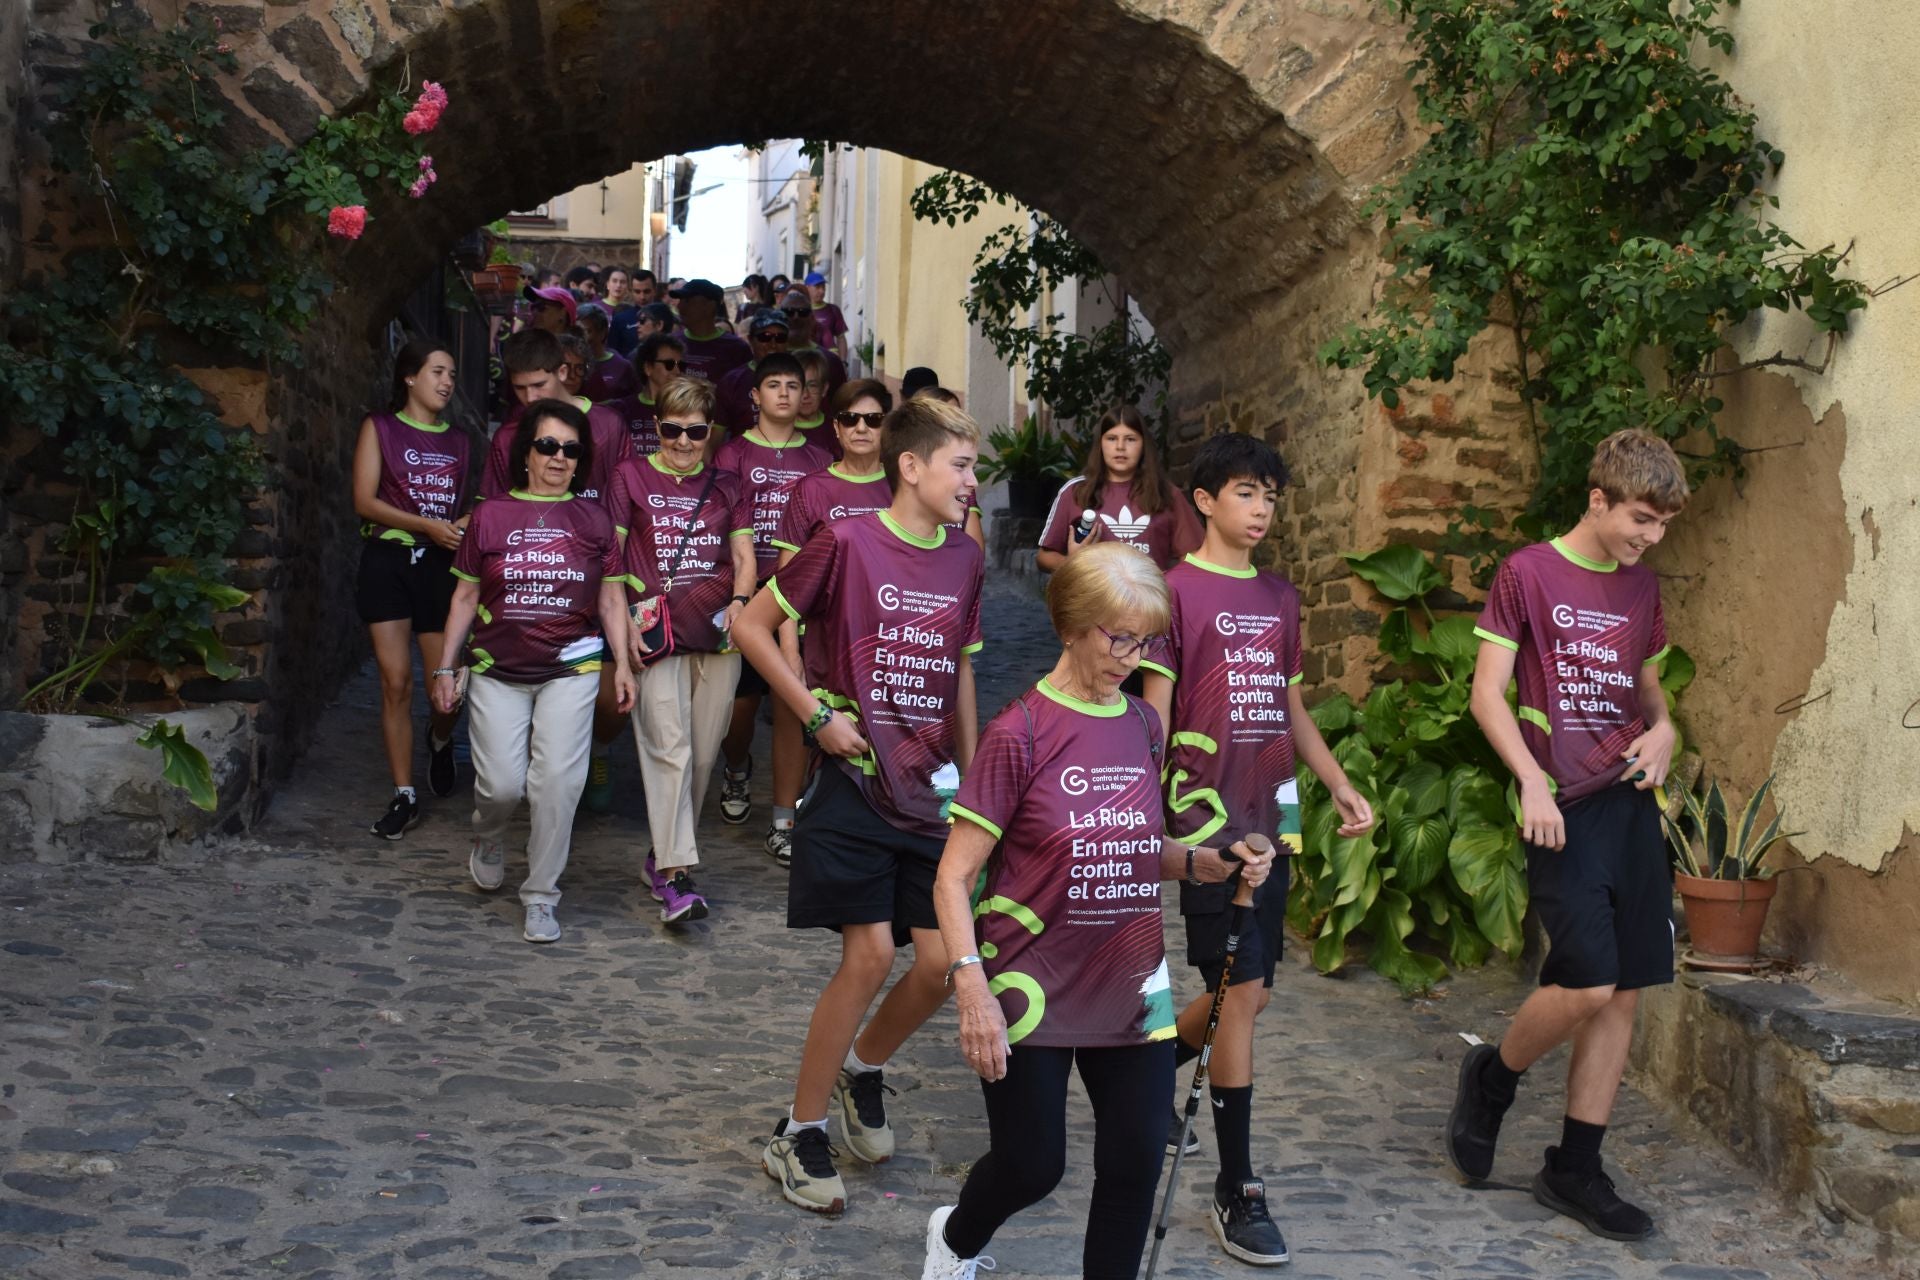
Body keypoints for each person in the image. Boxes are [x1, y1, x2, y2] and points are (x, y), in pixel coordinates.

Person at [924, 541, 1275, 1280]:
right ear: (1071, 627)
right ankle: (953, 1239)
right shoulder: (1017, 734)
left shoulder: (1144, 726)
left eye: (1144, 639)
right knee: (1031, 1165)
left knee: (1134, 1164)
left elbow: (1138, 845)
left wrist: (1206, 863)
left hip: (1129, 980)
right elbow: (954, 878)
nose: (1132, 655)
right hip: (1030, 980)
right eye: (1119, 637)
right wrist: (970, 989)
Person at [735, 398, 985, 1216]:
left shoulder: (965, 560)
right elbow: (752, 626)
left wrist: (977, 780)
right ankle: (798, 1131)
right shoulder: (844, 541)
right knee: (870, 954)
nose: (973, 484)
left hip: (933, 788)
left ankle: (864, 1067)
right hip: (852, 780)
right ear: (911, 466)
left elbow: (960, 672)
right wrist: (814, 716)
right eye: (962, 466)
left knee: (945, 963)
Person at [1138, 430, 1372, 1267]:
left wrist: (1336, 781)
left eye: (1271, 495)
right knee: (1237, 996)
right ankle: (1237, 1186)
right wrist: (1144, 804)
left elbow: (1290, 704)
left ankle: (1151, 1053)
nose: (1263, 508)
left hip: (1273, 814)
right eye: (1246, 492)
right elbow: (1156, 709)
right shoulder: (1172, 593)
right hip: (1207, 820)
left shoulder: (1281, 596)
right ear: (1204, 501)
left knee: (1254, 994)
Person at [1447, 428, 1687, 1241]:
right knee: (1584, 980)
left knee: (1624, 990)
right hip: (1559, 802)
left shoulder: (1641, 588)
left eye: (1661, 527)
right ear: (1599, 499)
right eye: (1642, 520)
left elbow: (1650, 695)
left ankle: (1573, 1168)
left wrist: (1666, 734)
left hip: (1628, 804)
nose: (1650, 539)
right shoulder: (1527, 574)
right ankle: (1495, 1074)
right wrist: (1528, 778)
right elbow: (1487, 694)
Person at [433, 399, 633, 943]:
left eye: (571, 450)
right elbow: (465, 596)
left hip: (573, 667)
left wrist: (621, 666)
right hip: (497, 670)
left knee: (557, 785)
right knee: (500, 785)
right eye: (547, 445)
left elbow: (613, 601)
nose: (558, 458)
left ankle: (542, 894)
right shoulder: (492, 516)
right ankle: (489, 833)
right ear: (526, 453)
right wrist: (445, 668)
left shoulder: (595, 521)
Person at [607, 377, 756, 925]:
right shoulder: (629, 476)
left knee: (702, 754)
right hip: (655, 634)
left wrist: (742, 602)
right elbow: (614, 558)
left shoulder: (729, 485)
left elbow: (744, 557)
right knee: (668, 748)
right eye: (672, 430)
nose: (684, 441)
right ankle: (675, 877)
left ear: (710, 431)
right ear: (657, 425)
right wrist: (619, 628)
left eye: (695, 431)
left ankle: (661, 856)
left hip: (718, 634)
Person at [762, 379, 895, 866]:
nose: (862, 428)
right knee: (799, 724)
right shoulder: (811, 489)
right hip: (817, 635)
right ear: (835, 427)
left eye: (873, 419)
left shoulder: (901, 485)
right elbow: (785, 575)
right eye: (851, 419)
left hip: (885, 637)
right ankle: (785, 820)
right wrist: (789, 650)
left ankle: (870, 823)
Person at [352, 339, 472, 839]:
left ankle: (440, 741)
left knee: (446, 693)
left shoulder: (461, 442)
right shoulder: (379, 427)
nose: (447, 382)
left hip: (441, 567)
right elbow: (364, 500)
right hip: (387, 559)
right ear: (409, 377)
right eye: (437, 372)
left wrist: (459, 524)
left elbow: (477, 506)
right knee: (395, 682)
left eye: (450, 374)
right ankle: (404, 794)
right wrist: (426, 523)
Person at [712, 353, 834, 831]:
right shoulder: (731, 454)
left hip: (802, 595)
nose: (784, 393)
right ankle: (737, 766)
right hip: (745, 589)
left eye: (793, 385)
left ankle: (786, 813)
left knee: (790, 697)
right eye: (774, 385)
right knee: (740, 704)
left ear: (806, 394)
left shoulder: (821, 457)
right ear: (755, 395)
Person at [1036, 403, 1201, 574]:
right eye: (1112, 438)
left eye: (1130, 439)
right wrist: (1073, 562)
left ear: (1143, 445)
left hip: (1151, 599)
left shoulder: (1166, 492)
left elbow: (1193, 558)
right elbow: (1043, 557)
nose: (1120, 446)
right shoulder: (1076, 491)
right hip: (1092, 598)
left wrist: (1167, 583)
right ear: (1100, 444)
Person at [483, 330, 629, 505]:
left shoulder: (610, 425)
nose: (530, 397)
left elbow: (627, 492)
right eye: (520, 388)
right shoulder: (507, 436)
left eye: (539, 385)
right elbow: (492, 504)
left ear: (562, 372)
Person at [713, 309, 791, 438]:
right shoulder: (731, 381)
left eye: (780, 338)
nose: (772, 344)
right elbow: (715, 438)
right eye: (764, 337)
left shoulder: (801, 377)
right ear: (750, 340)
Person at [670, 279, 753, 384]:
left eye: (688, 301)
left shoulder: (737, 349)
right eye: (680, 301)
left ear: (710, 306)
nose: (679, 307)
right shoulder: (671, 343)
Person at [619, 332, 686, 461]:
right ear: (648, 368)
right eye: (669, 364)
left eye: (681, 365)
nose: (677, 372)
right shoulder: (621, 410)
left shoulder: (686, 411)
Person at [778, 287, 847, 401]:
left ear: (811, 318)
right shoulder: (769, 358)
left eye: (802, 312)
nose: (795, 317)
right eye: (789, 312)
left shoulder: (831, 362)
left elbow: (842, 405)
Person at [578, 304, 640, 406]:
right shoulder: (567, 363)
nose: (581, 337)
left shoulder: (622, 366)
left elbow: (633, 401)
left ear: (603, 332)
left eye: (587, 331)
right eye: (577, 331)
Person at [803, 270, 849, 360]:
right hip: (805, 360)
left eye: (823, 287)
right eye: (817, 287)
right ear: (807, 288)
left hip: (827, 360)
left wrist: (843, 362)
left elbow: (841, 338)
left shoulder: (833, 310)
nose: (822, 291)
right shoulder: (799, 310)